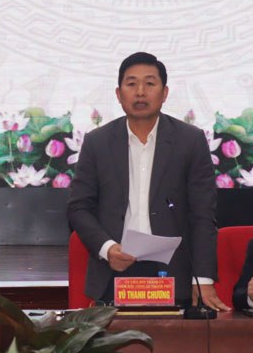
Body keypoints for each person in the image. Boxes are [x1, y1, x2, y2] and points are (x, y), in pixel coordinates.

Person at [67, 52, 228, 310]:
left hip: (173, 271)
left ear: (164, 93)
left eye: (150, 83)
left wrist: (204, 279)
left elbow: (203, 214)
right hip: (115, 267)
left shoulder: (190, 141)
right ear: (119, 94)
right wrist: (108, 249)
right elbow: (78, 208)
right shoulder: (98, 142)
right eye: (131, 84)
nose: (140, 92)